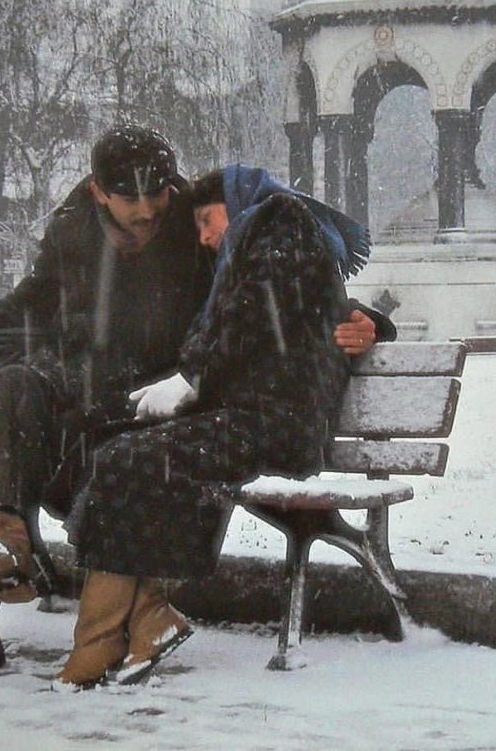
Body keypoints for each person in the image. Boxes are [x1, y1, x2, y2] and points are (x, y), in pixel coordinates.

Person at [0, 129, 389, 680]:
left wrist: (371, 322)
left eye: (155, 194)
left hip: (163, 392)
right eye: (129, 198)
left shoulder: (195, 220)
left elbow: (275, 284)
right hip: (87, 379)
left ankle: (24, 607)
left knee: (37, 437)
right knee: (8, 392)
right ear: (98, 193)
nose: (146, 210)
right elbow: (34, 299)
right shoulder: (74, 229)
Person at [56, 164, 374, 688]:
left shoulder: (281, 219)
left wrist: (192, 377)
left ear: (235, 196)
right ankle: (139, 624)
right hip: (249, 418)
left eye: (206, 220)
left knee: (132, 458)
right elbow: (242, 314)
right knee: (121, 451)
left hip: (281, 424)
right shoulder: (252, 243)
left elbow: (254, 308)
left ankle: (104, 641)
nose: (205, 238)